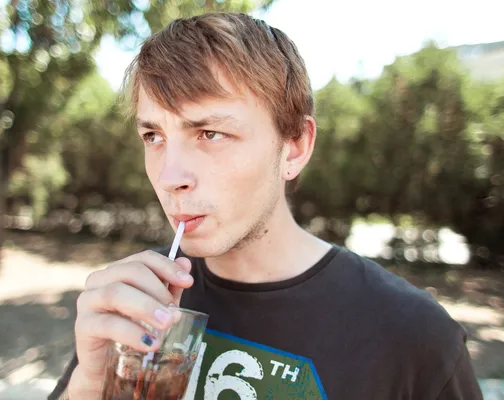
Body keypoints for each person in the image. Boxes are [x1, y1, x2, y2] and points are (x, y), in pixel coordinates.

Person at [48, 12, 483, 400]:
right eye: (153, 137)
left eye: (209, 133)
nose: (169, 176)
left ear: (294, 148)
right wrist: (86, 387)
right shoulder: (140, 301)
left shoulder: (413, 337)